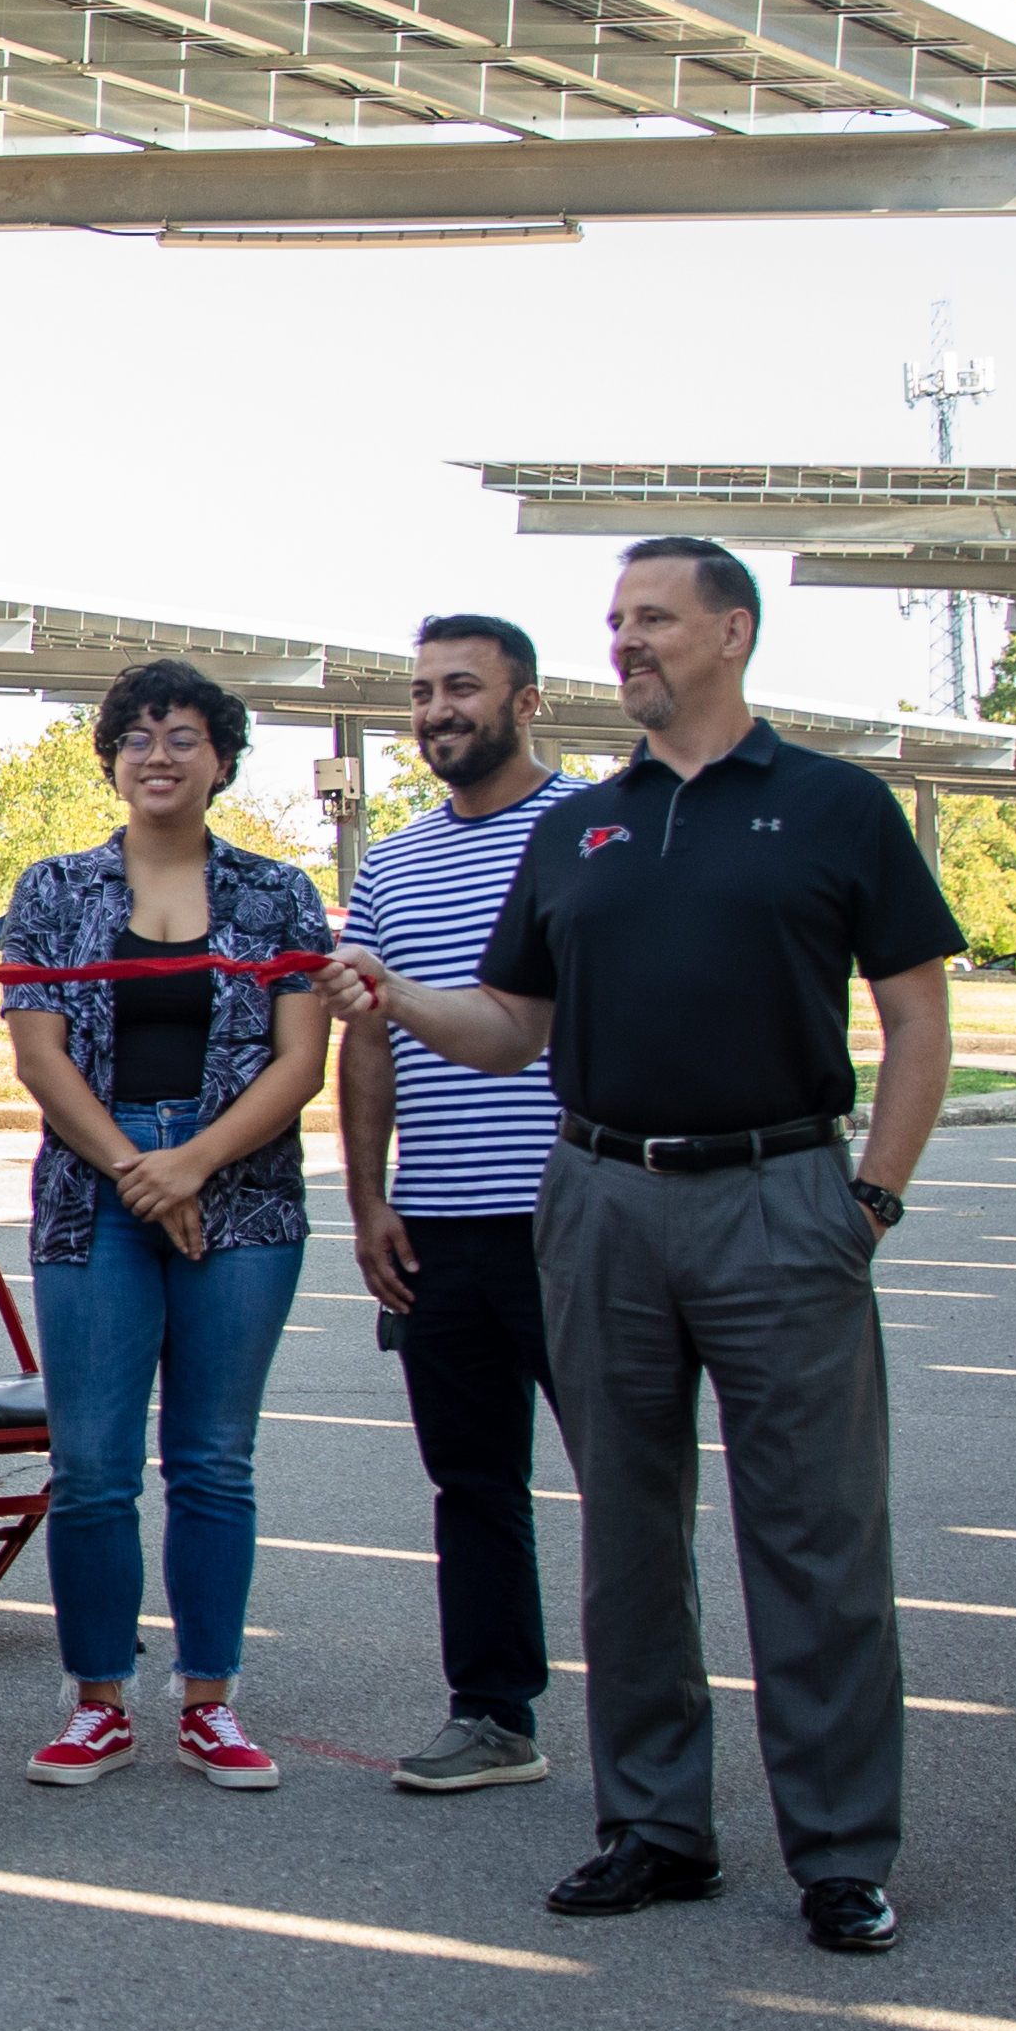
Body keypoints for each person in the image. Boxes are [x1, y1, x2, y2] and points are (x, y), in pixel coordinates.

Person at [327, 540, 962, 1954]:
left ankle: (840, 1851)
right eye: (616, 620)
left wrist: (872, 1196)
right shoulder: (581, 830)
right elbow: (512, 1027)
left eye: (654, 618)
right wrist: (397, 995)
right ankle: (656, 1828)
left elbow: (917, 1014)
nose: (626, 641)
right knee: (624, 1533)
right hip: (602, 1198)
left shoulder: (837, 806)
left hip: (781, 1195)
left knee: (816, 1537)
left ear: (733, 633)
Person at [0, 661, 335, 1787]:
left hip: (242, 1187)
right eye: (137, 737)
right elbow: (39, 1052)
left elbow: (299, 1062)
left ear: (222, 761)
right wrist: (139, 1169)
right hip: (94, 1189)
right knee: (93, 1464)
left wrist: (191, 1162)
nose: (158, 756)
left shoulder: (278, 893)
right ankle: (97, 1699)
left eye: (184, 736)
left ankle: (209, 1700)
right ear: (110, 760)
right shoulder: (54, 890)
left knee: (212, 1460)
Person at [334, 616, 582, 1791]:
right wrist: (370, 1197)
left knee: (627, 1488)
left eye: (464, 687)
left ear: (526, 701)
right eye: (424, 690)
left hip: (576, 1218)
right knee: (473, 1483)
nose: (438, 710)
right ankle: (492, 1714)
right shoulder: (391, 864)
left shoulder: (592, 830)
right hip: (438, 1223)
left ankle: (654, 1736)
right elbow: (367, 1040)